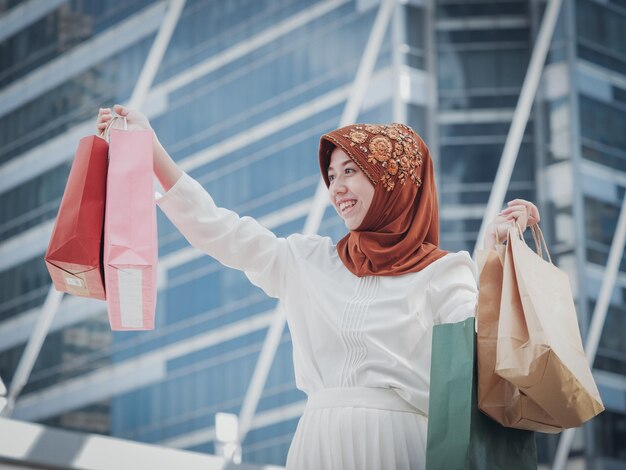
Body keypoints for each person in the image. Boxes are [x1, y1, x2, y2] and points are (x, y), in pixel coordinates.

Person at [96, 105, 540, 469]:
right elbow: (219, 229)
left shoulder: (444, 272)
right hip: (318, 448)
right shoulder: (308, 261)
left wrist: (497, 254)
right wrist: (150, 149)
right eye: (331, 176)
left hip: (403, 449)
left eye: (351, 171)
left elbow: (485, 357)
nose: (337, 187)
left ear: (394, 182)